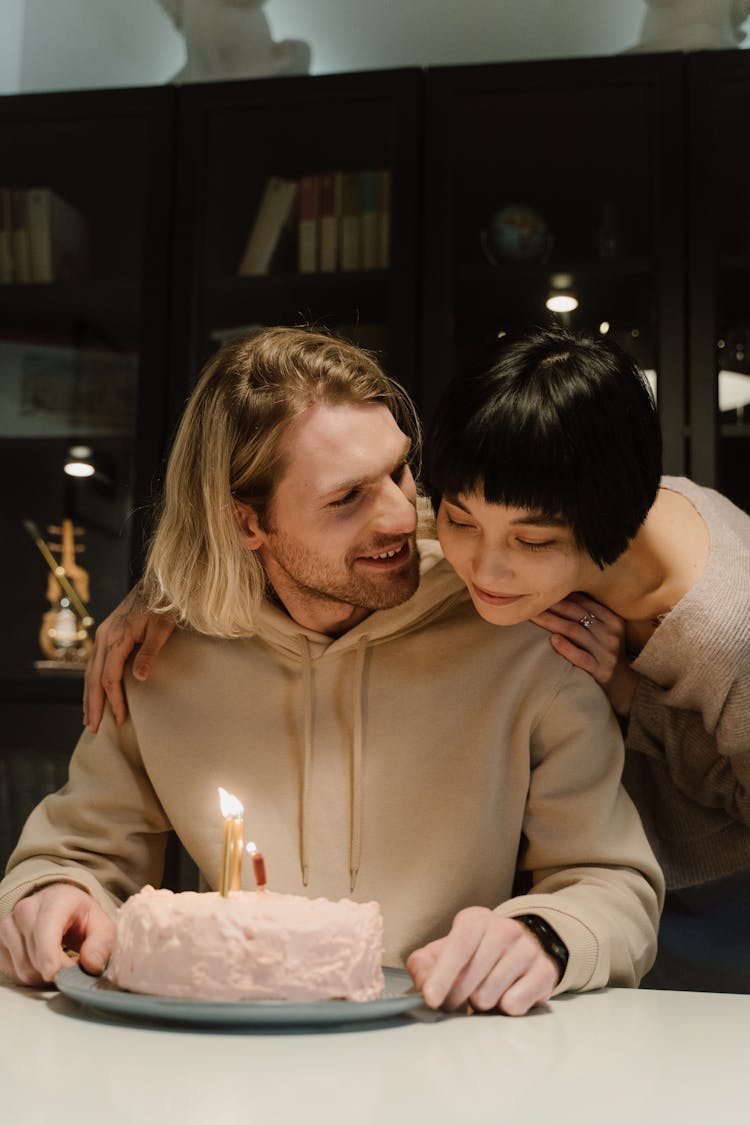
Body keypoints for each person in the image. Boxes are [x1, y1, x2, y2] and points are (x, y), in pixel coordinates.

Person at [0, 327, 662, 1015]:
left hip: (451, 1061)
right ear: (247, 522)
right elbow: (73, 856)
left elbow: (612, 884)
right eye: (348, 499)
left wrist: (543, 938)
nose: (404, 514)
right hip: (225, 1076)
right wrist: (55, 897)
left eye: (402, 470)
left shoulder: (522, 629)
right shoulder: (155, 656)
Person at [424, 326, 750, 992]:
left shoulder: (724, 628)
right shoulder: (558, 490)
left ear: (610, 519)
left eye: (532, 539)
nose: (484, 566)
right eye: (458, 520)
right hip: (599, 874)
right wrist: (166, 594)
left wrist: (632, 693)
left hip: (720, 904)